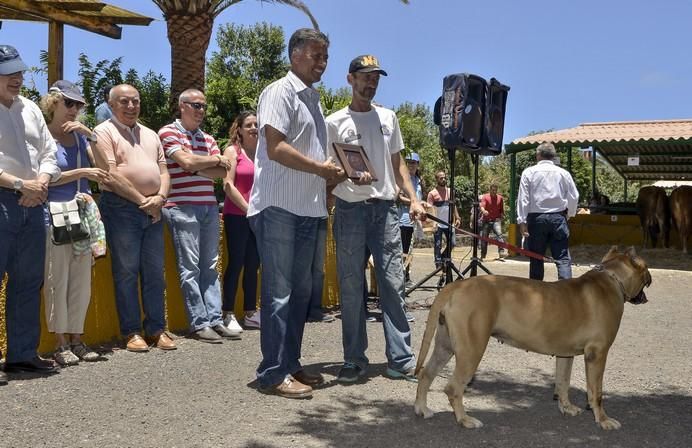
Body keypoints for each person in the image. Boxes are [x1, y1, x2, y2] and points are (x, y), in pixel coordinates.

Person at [247, 28, 342, 399]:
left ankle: (290, 363)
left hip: (309, 208)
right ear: (295, 55)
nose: (322, 63)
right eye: (316, 55)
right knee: (279, 293)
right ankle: (272, 372)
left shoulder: (314, 100)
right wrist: (321, 171)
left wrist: (331, 177)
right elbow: (275, 148)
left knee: (301, 293)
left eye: (325, 57)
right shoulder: (279, 91)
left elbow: (314, 153)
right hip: (278, 207)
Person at [327, 54, 426, 383]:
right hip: (350, 210)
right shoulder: (333, 122)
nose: (371, 83)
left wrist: (413, 199)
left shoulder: (388, 118)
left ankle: (401, 359)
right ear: (350, 79)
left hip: (385, 211)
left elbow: (398, 165)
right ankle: (354, 360)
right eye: (365, 77)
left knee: (393, 285)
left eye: (375, 78)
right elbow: (329, 172)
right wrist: (346, 175)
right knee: (352, 288)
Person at [93, 84, 176, 352]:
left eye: (135, 101)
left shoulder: (150, 134)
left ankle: (156, 329)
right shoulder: (102, 132)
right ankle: (131, 331)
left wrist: (160, 199)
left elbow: (164, 172)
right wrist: (143, 202)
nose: (131, 106)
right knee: (126, 272)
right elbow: (110, 175)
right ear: (112, 104)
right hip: (122, 208)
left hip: (153, 207)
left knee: (154, 272)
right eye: (125, 102)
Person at [159, 89, 239, 344]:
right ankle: (199, 322)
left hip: (208, 206)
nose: (201, 111)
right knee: (190, 268)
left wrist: (198, 165)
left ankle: (214, 319)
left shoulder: (207, 138)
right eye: (195, 105)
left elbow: (218, 172)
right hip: (181, 206)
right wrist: (205, 162)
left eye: (203, 106)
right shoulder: (168, 132)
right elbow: (188, 163)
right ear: (182, 106)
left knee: (210, 266)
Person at [0, 45, 61, 381]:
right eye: (10, 72)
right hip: (4, 198)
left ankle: (22, 355)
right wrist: (21, 184)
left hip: (34, 200)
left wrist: (39, 181)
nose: (18, 78)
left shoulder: (31, 110)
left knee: (28, 282)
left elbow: (48, 152)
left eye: (20, 71)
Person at [41, 80, 110, 366]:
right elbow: (47, 177)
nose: (74, 109)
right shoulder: (43, 135)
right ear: (53, 102)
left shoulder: (81, 138)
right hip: (54, 214)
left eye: (78, 105)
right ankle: (59, 344)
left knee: (81, 280)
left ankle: (77, 339)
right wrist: (82, 171)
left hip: (81, 216)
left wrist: (91, 135)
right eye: (69, 103)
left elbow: (105, 170)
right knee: (57, 279)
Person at [222, 111, 261, 332]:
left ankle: (250, 313)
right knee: (236, 262)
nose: (254, 128)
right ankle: (227, 313)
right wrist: (248, 211)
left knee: (254, 264)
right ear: (239, 129)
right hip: (237, 216)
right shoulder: (232, 151)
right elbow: (227, 185)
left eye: (256, 124)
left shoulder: (262, 154)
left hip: (257, 217)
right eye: (249, 124)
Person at [517, 142, 579, 281]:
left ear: (538, 155)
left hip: (536, 219)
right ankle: (567, 292)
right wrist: (570, 214)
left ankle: (536, 293)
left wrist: (522, 221)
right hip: (558, 217)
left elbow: (523, 199)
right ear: (553, 156)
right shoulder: (564, 173)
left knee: (536, 258)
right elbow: (574, 196)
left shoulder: (529, 172)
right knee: (562, 258)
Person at [397, 152, 423, 286]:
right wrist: (414, 202)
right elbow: (399, 198)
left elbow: (419, 199)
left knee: (409, 250)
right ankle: (400, 277)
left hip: (413, 222)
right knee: (402, 251)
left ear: (418, 165)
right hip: (402, 219)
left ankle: (406, 276)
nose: (411, 165)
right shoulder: (403, 179)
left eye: (414, 162)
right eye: (409, 162)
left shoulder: (418, 181)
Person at [427, 171, 461, 268]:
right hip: (437, 224)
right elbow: (429, 210)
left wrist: (457, 217)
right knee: (438, 244)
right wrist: (432, 223)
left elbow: (453, 205)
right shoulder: (432, 194)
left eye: (444, 177)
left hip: (449, 223)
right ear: (436, 179)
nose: (443, 179)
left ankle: (443, 258)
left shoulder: (451, 191)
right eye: (441, 178)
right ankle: (438, 264)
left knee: (453, 243)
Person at [479, 182, 507, 260]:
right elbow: (482, 206)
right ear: (490, 190)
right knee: (484, 238)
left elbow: (501, 209)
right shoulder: (485, 197)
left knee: (499, 235)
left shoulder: (500, 198)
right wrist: (484, 211)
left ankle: (501, 253)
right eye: (493, 190)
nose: (494, 192)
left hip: (496, 220)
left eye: (495, 190)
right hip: (486, 220)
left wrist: (502, 215)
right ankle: (483, 255)